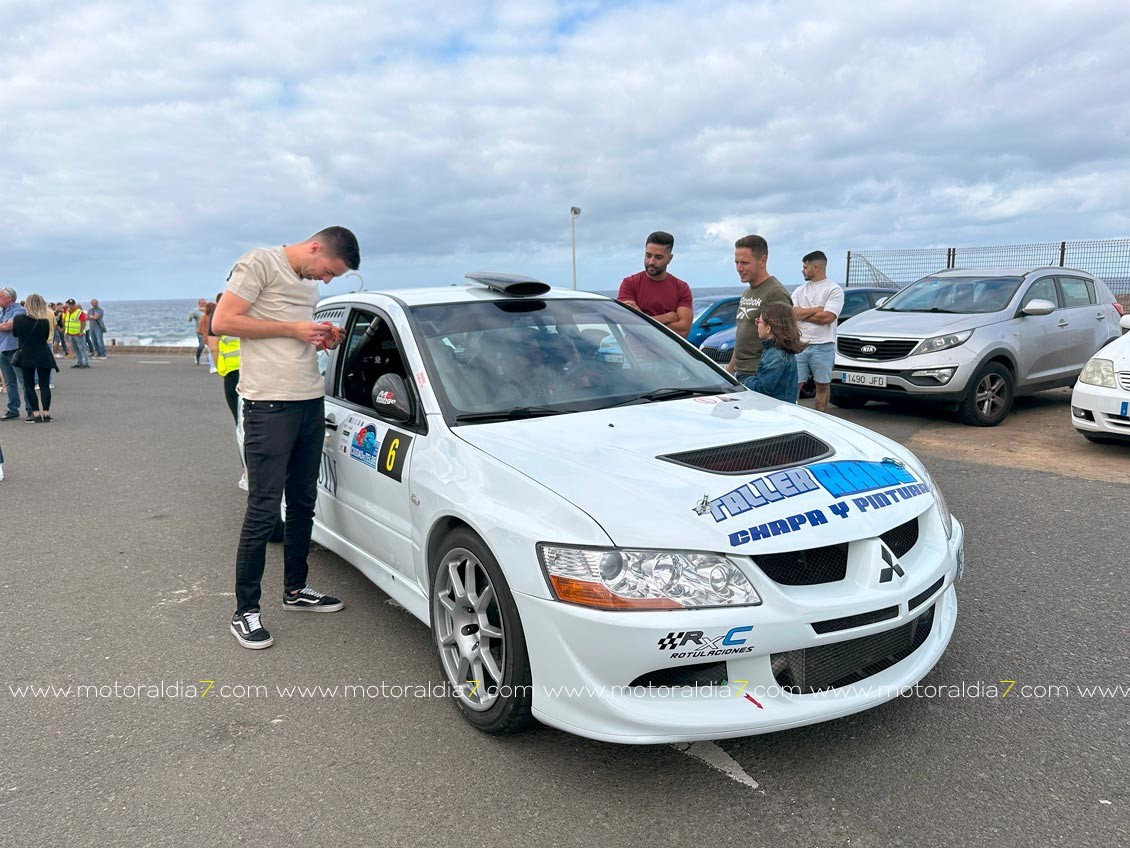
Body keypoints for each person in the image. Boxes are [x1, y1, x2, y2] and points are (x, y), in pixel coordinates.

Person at [212, 226, 360, 650]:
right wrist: (295, 330)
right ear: (315, 247)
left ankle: (296, 591)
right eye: (327, 271)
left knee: (303, 502)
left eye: (332, 278)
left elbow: (290, 335)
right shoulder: (259, 262)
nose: (326, 281)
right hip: (268, 406)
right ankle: (245, 612)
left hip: (309, 401)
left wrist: (319, 338)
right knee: (262, 510)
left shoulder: (306, 282)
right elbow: (224, 322)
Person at [726, 235, 793, 382]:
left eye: (744, 263)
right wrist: (729, 372)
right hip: (741, 373)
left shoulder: (775, 293)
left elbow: (785, 343)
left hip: (759, 376)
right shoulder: (748, 292)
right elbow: (742, 335)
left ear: (762, 261)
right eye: (736, 262)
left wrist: (765, 378)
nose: (738, 268)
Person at [792, 251, 844, 412]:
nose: (802, 270)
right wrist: (816, 309)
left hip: (824, 345)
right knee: (795, 384)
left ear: (815, 267)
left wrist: (802, 313)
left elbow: (827, 317)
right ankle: (792, 415)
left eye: (805, 267)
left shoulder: (833, 290)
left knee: (822, 384)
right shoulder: (800, 290)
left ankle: (820, 416)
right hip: (800, 344)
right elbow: (792, 314)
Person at [617, 231, 694, 337]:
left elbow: (683, 330)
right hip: (635, 353)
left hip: (670, 353)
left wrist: (641, 319)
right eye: (648, 255)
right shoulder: (629, 284)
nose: (651, 262)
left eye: (658, 257)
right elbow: (628, 327)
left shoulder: (681, 288)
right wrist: (667, 317)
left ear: (669, 259)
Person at [740, 302, 804, 402]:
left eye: (759, 322)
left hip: (776, 411)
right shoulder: (780, 350)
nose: (757, 325)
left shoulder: (775, 355)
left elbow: (762, 388)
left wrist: (741, 379)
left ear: (768, 328)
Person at [12, 294, 59, 422]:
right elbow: (45, 337)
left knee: (29, 385)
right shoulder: (44, 322)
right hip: (43, 354)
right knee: (44, 385)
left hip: (26, 355)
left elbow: (15, 334)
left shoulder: (18, 319)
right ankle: (47, 413)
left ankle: (36, 413)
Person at [0, 286, 31, 420]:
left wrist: (4, 325)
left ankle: (31, 409)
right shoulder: (3, 312)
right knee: (9, 381)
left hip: (15, 349)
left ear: (9, 298)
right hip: (3, 348)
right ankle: (13, 409)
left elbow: (9, 326)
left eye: (0, 296)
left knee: (23, 380)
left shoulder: (19, 310)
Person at [63, 299, 90, 368]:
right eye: (69, 304)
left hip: (78, 334)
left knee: (82, 348)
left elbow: (83, 322)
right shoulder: (68, 312)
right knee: (76, 349)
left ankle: (85, 362)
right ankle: (79, 362)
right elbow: (67, 322)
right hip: (71, 333)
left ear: (75, 305)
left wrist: (81, 331)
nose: (71, 306)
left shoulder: (79, 312)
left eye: (72, 304)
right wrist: (66, 331)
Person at [189, 298, 207, 365]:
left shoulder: (208, 310)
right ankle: (197, 357)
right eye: (202, 303)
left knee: (211, 346)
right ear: (199, 304)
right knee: (202, 345)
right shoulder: (196, 311)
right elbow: (190, 318)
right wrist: (190, 318)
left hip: (207, 331)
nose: (203, 304)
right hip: (199, 331)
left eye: (204, 303)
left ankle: (212, 361)